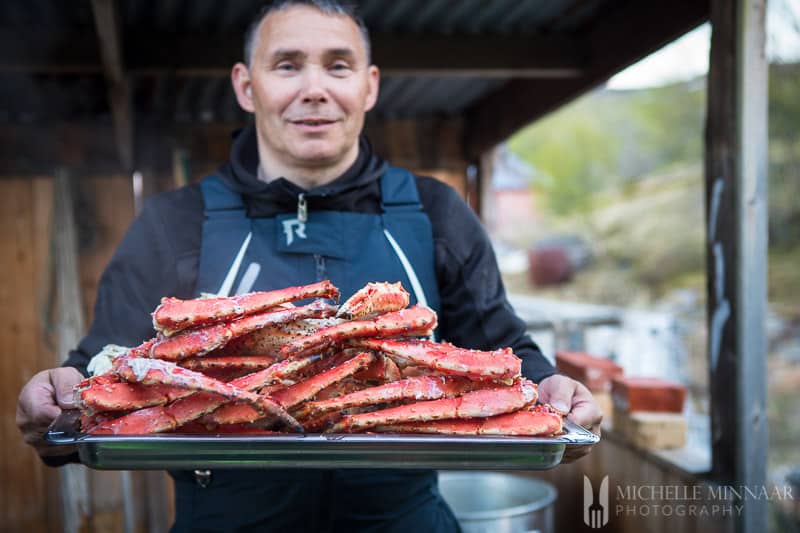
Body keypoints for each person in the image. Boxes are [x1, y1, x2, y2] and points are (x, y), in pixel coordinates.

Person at [16, 1, 602, 531]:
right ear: (246, 86)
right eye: (288, 65)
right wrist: (60, 404)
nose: (315, 88)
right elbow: (105, 373)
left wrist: (549, 390)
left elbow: (504, 356)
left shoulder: (435, 212)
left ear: (370, 87)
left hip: (403, 518)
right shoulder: (174, 221)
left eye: (338, 66)